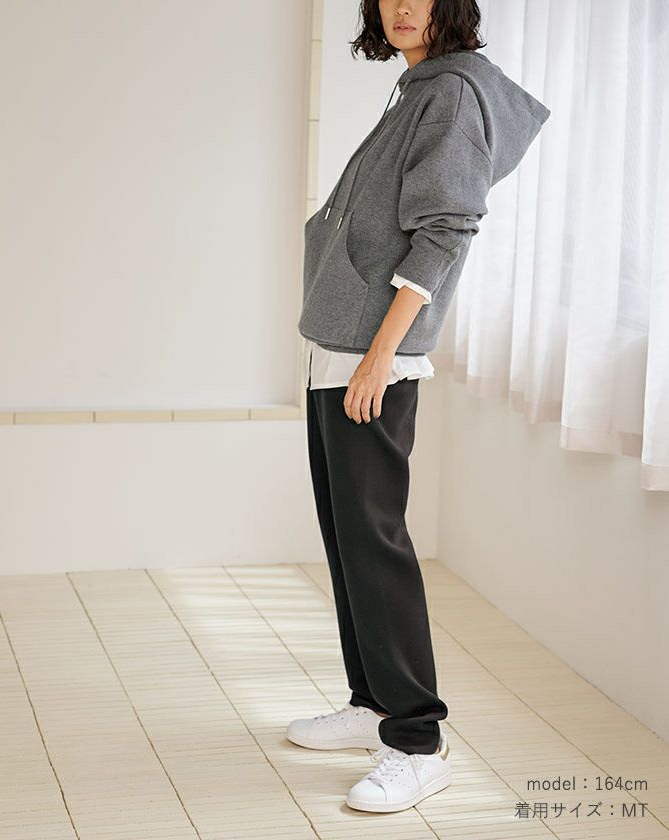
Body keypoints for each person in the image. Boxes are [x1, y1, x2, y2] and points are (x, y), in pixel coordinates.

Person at [287, 0, 551, 814]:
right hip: (342, 348)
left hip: (373, 358)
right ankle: (372, 703)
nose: (402, 6)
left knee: (375, 544)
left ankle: (416, 740)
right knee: (348, 538)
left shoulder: (452, 94)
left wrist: (380, 356)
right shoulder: (420, 86)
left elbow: (446, 231)